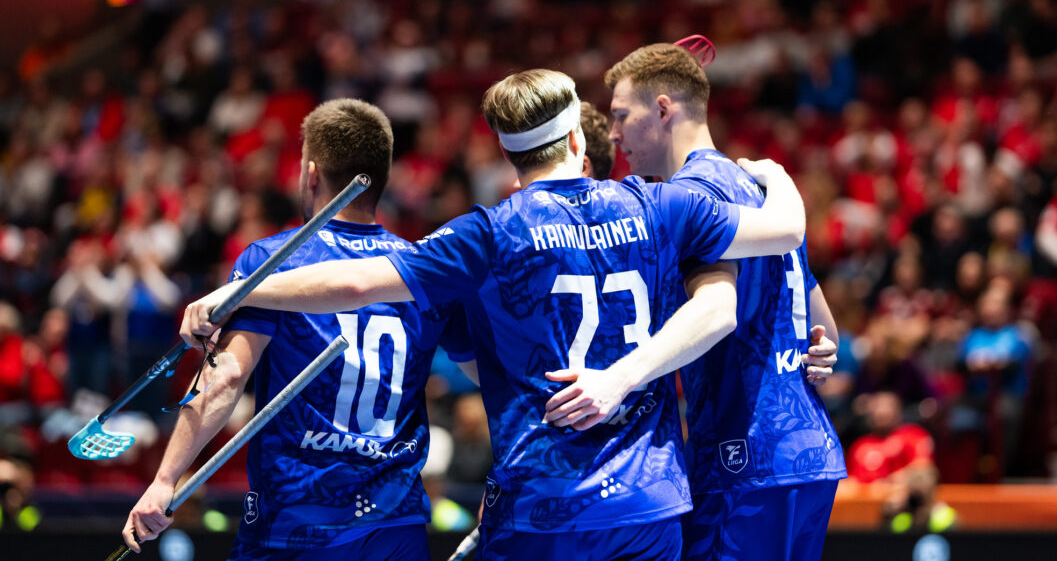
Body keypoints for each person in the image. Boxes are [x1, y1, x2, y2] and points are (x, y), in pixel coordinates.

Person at [179, 69, 809, 559]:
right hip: (647, 508)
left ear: (510, 158)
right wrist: (776, 174)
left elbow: (354, 281)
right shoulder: (656, 202)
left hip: (540, 507)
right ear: (574, 139)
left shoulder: (487, 233)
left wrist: (242, 291)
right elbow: (784, 233)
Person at [123, 99, 468, 559]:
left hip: (293, 523)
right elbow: (489, 374)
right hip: (394, 526)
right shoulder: (422, 270)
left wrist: (165, 480)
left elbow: (224, 378)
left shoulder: (271, 264)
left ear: (310, 173)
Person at [547, 43, 846, 561]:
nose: (613, 134)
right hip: (810, 454)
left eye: (621, 115)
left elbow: (717, 310)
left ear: (663, 109)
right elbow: (826, 330)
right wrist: (820, 350)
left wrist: (617, 379)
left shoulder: (690, 199)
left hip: (743, 458)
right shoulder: (756, 188)